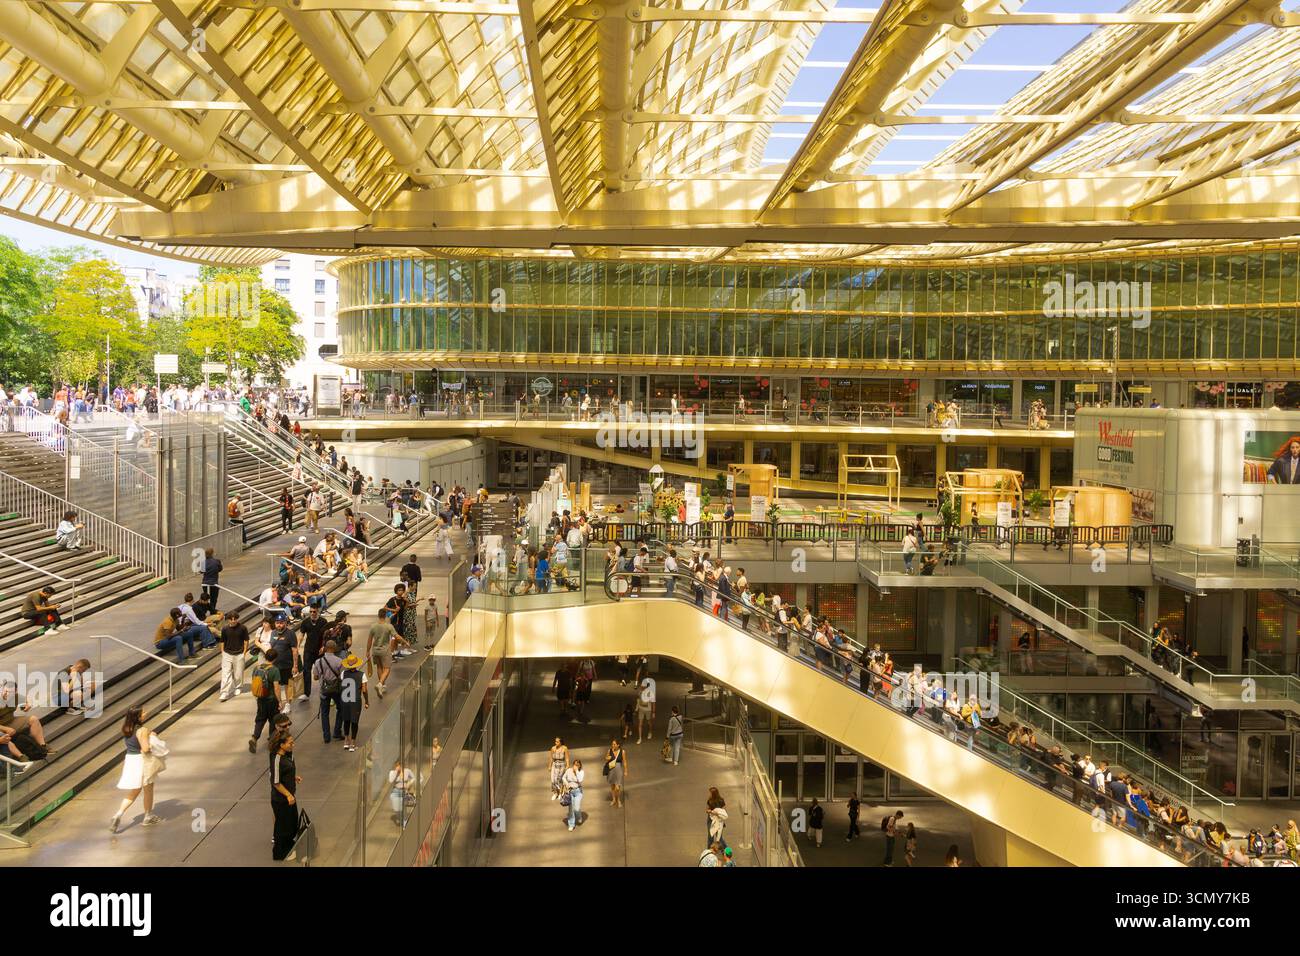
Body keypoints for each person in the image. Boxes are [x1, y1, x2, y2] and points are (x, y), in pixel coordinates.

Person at [109, 705, 163, 833]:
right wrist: (151, 741)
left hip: (131, 760)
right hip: (142, 761)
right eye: (143, 712)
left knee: (134, 790)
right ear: (138, 716)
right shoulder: (142, 730)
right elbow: (145, 748)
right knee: (148, 789)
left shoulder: (126, 728)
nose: (146, 713)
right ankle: (148, 816)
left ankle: (118, 814)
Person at [270, 731, 301, 861]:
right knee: (282, 827)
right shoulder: (277, 759)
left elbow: (285, 773)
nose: (292, 744)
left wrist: (293, 778)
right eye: (290, 743)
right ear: (282, 745)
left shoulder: (289, 755)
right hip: (281, 799)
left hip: (290, 796)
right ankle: (280, 853)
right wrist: (288, 795)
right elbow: (276, 782)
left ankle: (289, 846)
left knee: (292, 823)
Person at [248, 648, 286, 752]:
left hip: (260, 699)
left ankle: (254, 737)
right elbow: (276, 688)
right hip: (271, 700)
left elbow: (254, 683)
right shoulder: (274, 670)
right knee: (273, 720)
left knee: (260, 719)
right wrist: (280, 701)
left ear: (265, 657)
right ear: (275, 658)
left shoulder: (256, 668)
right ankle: (272, 741)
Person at [313, 639, 345, 743]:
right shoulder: (340, 661)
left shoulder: (318, 661)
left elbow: (316, 677)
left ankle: (326, 737)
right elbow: (342, 676)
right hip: (337, 690)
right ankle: (337, 731)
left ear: (325, 648)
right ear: (335, 648)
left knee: (325, 713)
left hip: (324, 690)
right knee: (340, 709)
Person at [338, 652, 369, 751]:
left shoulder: (343, 673)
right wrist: (367, 701)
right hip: (355, 701)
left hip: (345, 700)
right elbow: (364, 690)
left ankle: (346, 740)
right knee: (354, 722)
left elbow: (341, 684)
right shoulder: (362, 675)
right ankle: (353, 743)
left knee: (346, 720)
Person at [218, 610, 249, 702]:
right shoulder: (225, 629)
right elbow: (222, 641)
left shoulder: (243, 628)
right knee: (225, 673)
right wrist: (223, 652)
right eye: (231, 619)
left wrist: (244, 652)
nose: (233, 621)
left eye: (235, 619)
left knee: (238, 673)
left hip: (239, 653)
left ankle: (238, 687)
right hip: (227, 653)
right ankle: (224, 692)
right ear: (228, 620)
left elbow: (246, 641)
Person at [367, 608, 399, 697]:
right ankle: (380, 683)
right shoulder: (389, 626)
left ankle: (383, 686)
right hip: (385, 651)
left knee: (379, 667)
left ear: (378, 615)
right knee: (387, 668)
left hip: (375, 651)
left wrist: (367, 651)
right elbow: (396, 637)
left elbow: (369, 640)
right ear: (385, 616)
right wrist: (405, 642)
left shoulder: (373, 626)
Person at [605, 738, 628, 808]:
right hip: (611, 770)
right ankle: (614, 799)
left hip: (618, 771)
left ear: (618, 745)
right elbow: (606, 758)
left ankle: (618, 800)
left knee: (617, 787)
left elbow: (624, 761)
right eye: (612, 744)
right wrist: (607, 758)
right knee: (612, 786)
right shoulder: (609, 750)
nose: (613, 745)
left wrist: (626, 770)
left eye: (614, 744)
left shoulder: (622, 752)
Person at [562, 759, 585, 831]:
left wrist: (576, 771)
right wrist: (567, 783)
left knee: (576, 808)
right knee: (571, 809)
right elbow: (563, 777)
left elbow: (580, 780)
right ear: (573, 764)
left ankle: (579, 816)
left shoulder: (581, 772)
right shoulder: (569, 770)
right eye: (575, 764)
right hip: (570, 791)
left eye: (578, 765)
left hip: (578, 792)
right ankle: (571, 824)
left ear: (580, 765)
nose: (576, 766)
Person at [635, 672, 656, 742]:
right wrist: (637, 708)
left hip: (648, 710)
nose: (641, 686)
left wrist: (653, 712)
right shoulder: (640, 691)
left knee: (649, 722)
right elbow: (638, 699)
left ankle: (650, 732)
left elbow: (653, 703)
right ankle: (640, 738)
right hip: (641, 709)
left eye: (643, 685)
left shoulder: (651, 693)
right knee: (640, 723)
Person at [201, 548, 223, 612]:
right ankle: (212, 610)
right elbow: (220, 569)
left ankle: (205, 610)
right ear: (212, 553)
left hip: (205, 583)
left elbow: (201, 571)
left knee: (206, 597)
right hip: (214, 583)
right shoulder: (217, 561)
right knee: (214, 598)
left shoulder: (203, 562)